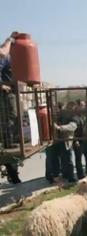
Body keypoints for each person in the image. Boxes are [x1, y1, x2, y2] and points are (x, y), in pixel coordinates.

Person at [0, 32, 21, 184]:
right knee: (9, 118)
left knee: (12, 118)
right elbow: (2, 52)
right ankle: (8, 142)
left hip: (10, 91)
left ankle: (13, 174)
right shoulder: (4, 55)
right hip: (5, 93)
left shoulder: (9, 57)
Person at [72, 100, 87, 179]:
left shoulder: (86, 115)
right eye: (82, 105)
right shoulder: (74, 117)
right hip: (79, 140)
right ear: (78, 106)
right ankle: (80, 175)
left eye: (84, 105)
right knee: (78, 159)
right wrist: (75, 140)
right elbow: (72, 131)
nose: (84, 107)